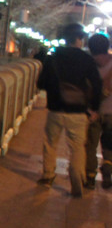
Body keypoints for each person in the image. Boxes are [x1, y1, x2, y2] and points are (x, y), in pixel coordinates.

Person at [37, 23, 103, 196]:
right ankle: (76, 178)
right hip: (78, 111)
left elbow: (41, 83)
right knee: (77, 147)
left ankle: (48, 175)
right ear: (80, 39)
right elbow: (97, 85)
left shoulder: (53, 57)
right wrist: (94, 108)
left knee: (50, 142)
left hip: (55, 109)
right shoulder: (87, 59)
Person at [84, 32, 112, 188]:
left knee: (90, 145)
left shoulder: (89, 65)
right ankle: (107, 168)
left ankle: (90, 176)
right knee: (109, 144)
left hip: (93, 111)